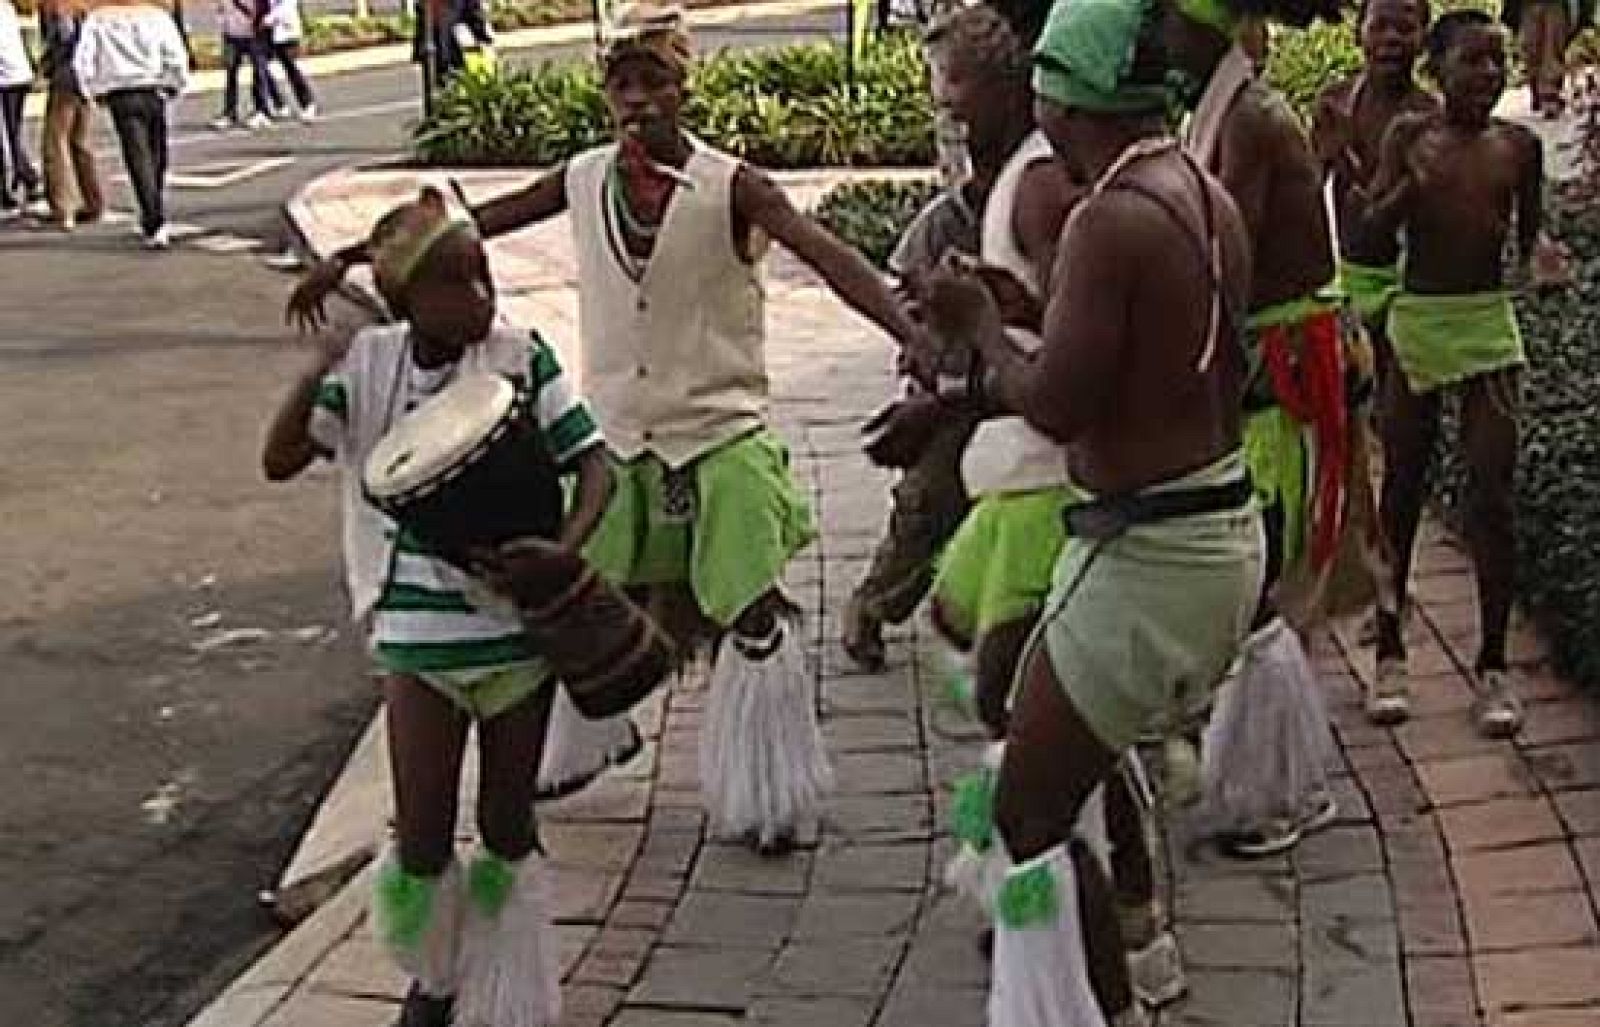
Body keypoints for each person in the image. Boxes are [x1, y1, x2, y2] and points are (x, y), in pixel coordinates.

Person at [288, 3, 924, 856]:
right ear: (605, 95)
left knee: (752, 611)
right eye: (621, 85)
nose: (637, 102)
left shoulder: (733, 185)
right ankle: (586, 740)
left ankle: (769, 790)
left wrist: (912, 333)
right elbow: (467, 230)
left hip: (718, 430)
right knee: (569, 591)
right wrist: (362, 255)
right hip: (619, 436)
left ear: (682, 86)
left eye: (653, 82)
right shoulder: (582, 176)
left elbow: (826, 255)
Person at [916, 0, 1260, 1020]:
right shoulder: (1195, 189)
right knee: (1040, 733)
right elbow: (1151, 363)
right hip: (1207, 535)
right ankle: (1130, 961)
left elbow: (1060, 405)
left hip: (1148, 557)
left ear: (1064, 94)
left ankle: (1116, 992)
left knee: (1025, 810)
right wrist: (1025, 315)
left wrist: (981, 328)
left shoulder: (1109, 214)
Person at [264, 187, 615, 1027]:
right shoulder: (370, 364)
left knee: (505, 822)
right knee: (421, 834)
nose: (479, 300)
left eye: (485, 279)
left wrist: (562, 549)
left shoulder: (519, 356)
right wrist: (319, 368)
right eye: (455, 285)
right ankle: (435, 971)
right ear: (405, 298)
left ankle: (508, 987)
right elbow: (279, 459)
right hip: (419, 645)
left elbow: (597, 464)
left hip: (513, 640)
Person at [1166, 0, 1353, 858]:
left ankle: (1279, 790)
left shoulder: (1248, 117)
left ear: (1203, 27)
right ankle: (1256, 768)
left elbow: (1221, 252)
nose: (1155, 34)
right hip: (1264, 356)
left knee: (1266, 573)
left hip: (1284, 364)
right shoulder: (1220, 108)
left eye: (1167, 17)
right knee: (1254, 567)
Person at [1357, 9, 1567, 740]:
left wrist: (1542, 258)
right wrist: (1402, 193)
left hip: (1486, 324)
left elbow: (1533, 234)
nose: (1487, 75)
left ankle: (1493, 664)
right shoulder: (1408, 139)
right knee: (1405, 489)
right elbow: (1372, 235)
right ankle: (1389, 651)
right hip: (1420, 320)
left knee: (1491, 491)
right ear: (1436, 71)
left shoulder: (1519, 147)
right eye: (1472, 62)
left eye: (1497, 62)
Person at [843, 3, 1035, 673]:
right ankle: (873, 605)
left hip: (1020, 392)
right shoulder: (947, 216)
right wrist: (925, 360)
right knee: (926, 502)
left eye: (956, 86)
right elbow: (907, 302)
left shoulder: (1042, 185)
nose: (946, 107)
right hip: (968, 384)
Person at [1313, 0, 1436, 400]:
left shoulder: (1430, 114)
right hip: (1350, 269)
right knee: (1356, 389)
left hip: (1409, 274)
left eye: (1404, 29)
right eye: (1379, 27)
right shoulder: (1334, 103)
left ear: (1423, 39)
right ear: (1357, 33)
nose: (1391, 39)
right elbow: (1313, 188)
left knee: (1404, 391)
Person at [74, 0, 189, 249]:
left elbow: (84, 59)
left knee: (137, 156)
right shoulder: (156, 16)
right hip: (152, 87)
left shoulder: (99, 19)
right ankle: (154, 211)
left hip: (120, 93)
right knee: (157, 153)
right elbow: (175, 52)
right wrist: (177, 82)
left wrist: (91, 90)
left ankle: (152, 216)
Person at [37, 0, 106, 231]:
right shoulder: (86, 5)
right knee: (80, 140)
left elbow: (64, 39)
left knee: (55, 141)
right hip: (87, 75)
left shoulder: (58, 5)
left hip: (67, 74)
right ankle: (93, 200)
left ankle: (63, 208)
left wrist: (46, 66)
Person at [0, 0, 42, 213]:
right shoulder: (7, 7)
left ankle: (25, 177)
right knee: (12, 131)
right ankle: (25, 177)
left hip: (6, 78)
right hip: (18, 75)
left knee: (8, 135)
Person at [213, 0, 275, 130]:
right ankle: (230, 113)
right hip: (232, 36)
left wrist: (265, 22)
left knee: (259, 72)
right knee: (231, 73)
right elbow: (220, 9)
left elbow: (266, 7)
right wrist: (224, 26)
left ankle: (262, 111)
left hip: (254, 34)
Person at [262, 0, 317, 121]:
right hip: (269, 33)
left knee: (291, 69)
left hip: (286, 33)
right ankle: (279, 104)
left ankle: (308, 104)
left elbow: (285, 8)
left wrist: (267, 20)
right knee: (262, 68)